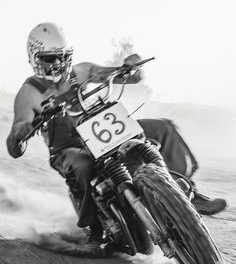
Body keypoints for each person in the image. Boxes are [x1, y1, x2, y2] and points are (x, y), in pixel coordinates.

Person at [6, 22, 226, 244]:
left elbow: (127, 77)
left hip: (100, 128)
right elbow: (15, 141)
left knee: (164, 128)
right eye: (49, 58)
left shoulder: (81, 71)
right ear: (34, 57)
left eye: (62, 57)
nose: (57, 63)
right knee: (83, 166)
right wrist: (20, 130)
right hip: (69, 147)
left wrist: (131, 66)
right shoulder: (29, 93)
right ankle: (94, 230)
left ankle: (187, 193)